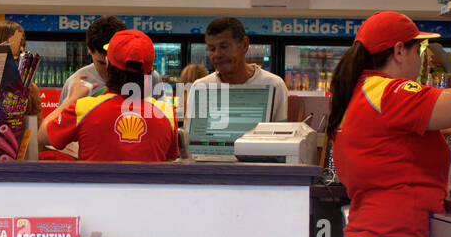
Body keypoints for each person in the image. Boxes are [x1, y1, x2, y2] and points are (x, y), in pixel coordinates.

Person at [328, 11, 451, 237]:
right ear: (399, 51)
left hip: (369, 236)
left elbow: (383, 141)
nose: (422, 59)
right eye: (419, 50)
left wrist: (437, 127)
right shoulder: (391, 92)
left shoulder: (358, 92)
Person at [44, 29, 177, 163]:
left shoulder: (83, 108)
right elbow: (170, 157)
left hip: (94, 184)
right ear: (150, 71)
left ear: (108, 63)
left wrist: (73, 98)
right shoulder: (167, 113)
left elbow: (42, 135)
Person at [185, 17, 289, 123]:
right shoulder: (200, 88)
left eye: (224, 46)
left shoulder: (274, 85)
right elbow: (191, 136)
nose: (217, 54)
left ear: (244, 45)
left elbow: (281, 137)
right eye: (212, 49)